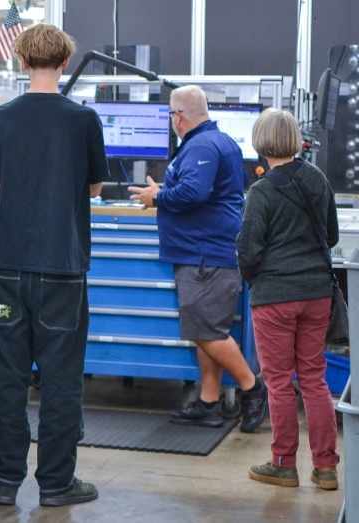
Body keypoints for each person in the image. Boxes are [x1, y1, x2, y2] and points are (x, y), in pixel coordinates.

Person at [0, 24, 106, 507]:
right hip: (63, 269)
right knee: (61, 380)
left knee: (6, 377)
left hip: (9, 266)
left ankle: (4, 482)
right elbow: (94, 188)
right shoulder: (82, 121)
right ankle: (56, 483)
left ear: (22, 61)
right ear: (66, 62)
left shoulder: (0, 118)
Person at [129, 85, 269, 432]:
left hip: (204, 254)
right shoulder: (213, 142)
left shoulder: (203, 145)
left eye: (171, 115)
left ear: (179, 116)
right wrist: (161, 191)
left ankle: (253, 388)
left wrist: (157, 196)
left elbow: (194, 191)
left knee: (206, 332)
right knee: (208, 329)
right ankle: (209, 401)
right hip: (205, 252)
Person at [237, 109, 340, 490]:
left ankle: (283, 463)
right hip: (316, 293)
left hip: (275, 296)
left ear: (260, 143)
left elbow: (248, 250)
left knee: (279, 381)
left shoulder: (261, 191)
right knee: (315, 379)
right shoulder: (318, 179)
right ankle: (326, 467)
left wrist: (257, 280)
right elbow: (330, 235)